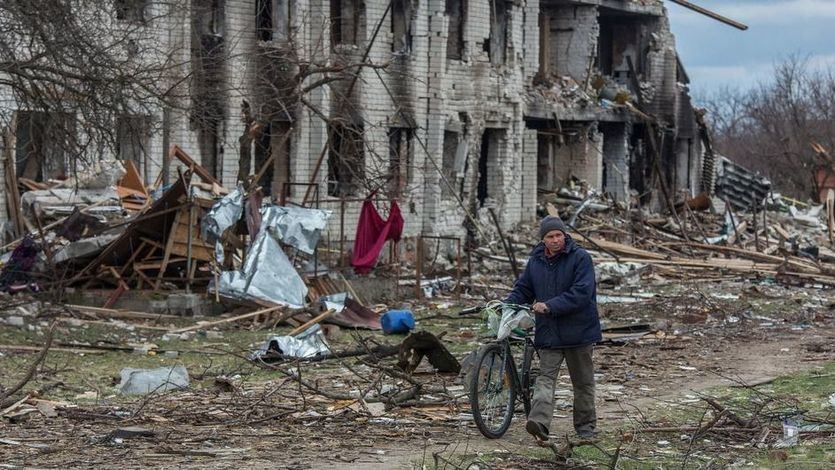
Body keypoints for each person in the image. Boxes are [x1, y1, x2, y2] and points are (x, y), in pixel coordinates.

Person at [505, 215, 602, 441]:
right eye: (550, 236)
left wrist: (549, 306)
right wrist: (508, 303)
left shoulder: (580, 258)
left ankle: (586, 428)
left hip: (579, 332)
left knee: (583, 382)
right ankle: (539, 423)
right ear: (543, 240)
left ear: (565, 235)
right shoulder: (536, 261)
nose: (556, 240)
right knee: (545, 379)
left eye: (559, 235)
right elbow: (524, 288)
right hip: (549, 332)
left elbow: (581, 293)